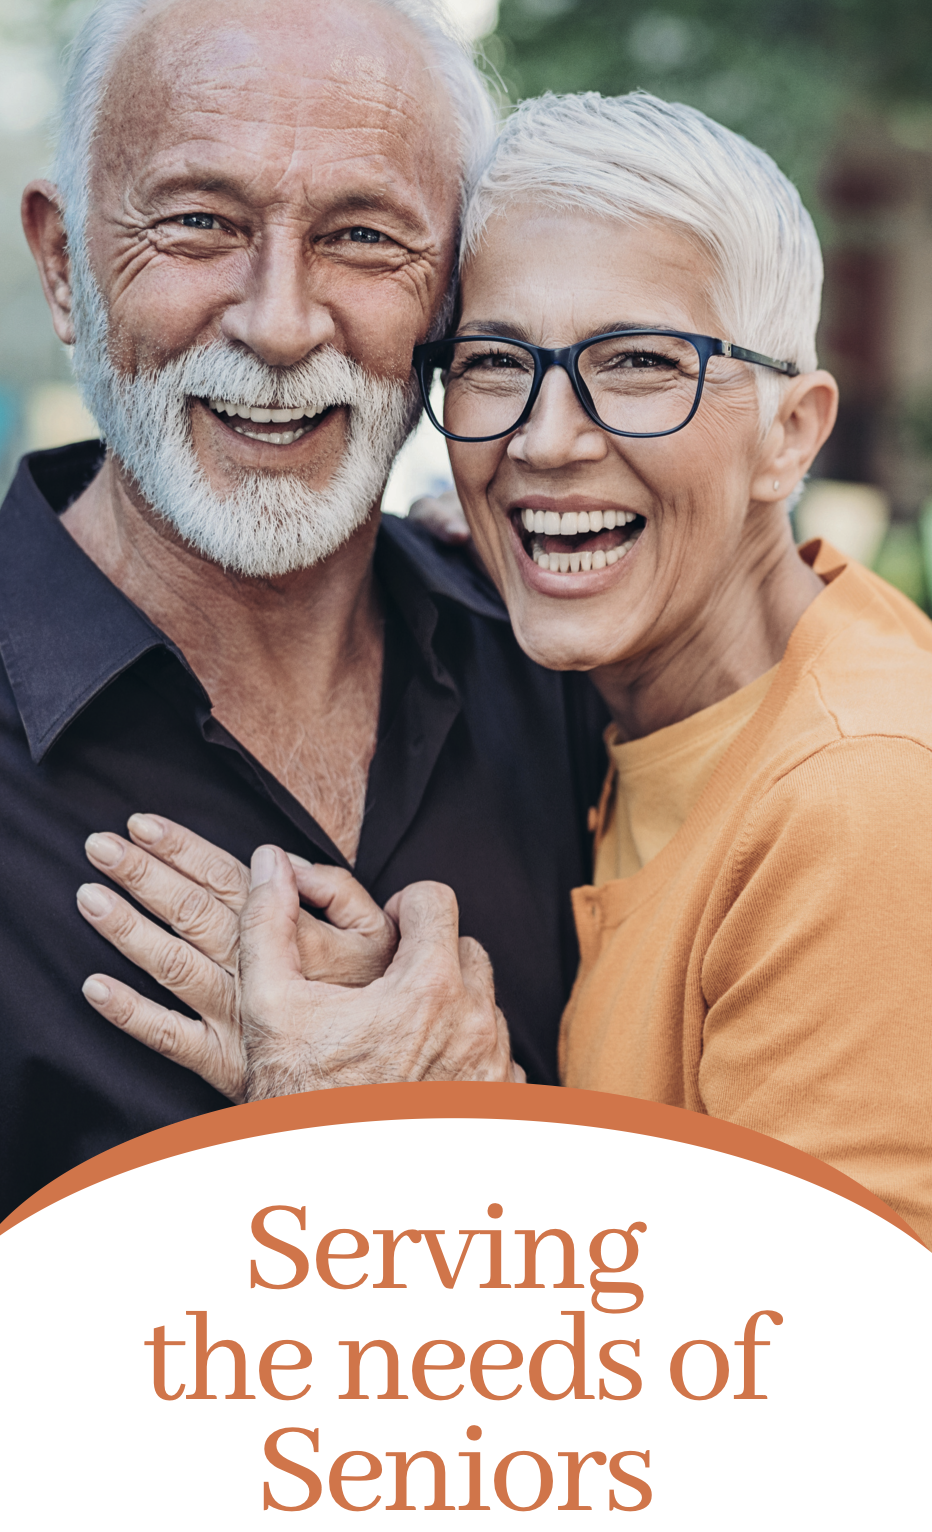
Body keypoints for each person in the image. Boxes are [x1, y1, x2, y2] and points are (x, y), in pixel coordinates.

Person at [83, 91, 932, 1246]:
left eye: (637, 362)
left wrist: (426, 1120)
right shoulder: (619, 695)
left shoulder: (861, 795)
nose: (544, 440)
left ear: (790, 430)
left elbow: (810, 1386)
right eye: (493, 363)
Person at [0, 1, 608, 1219]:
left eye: (363, 237)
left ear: (451, 298)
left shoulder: (563, 672)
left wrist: (477, 1112)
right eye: (198, 223)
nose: (280, 323)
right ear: (65, 265)